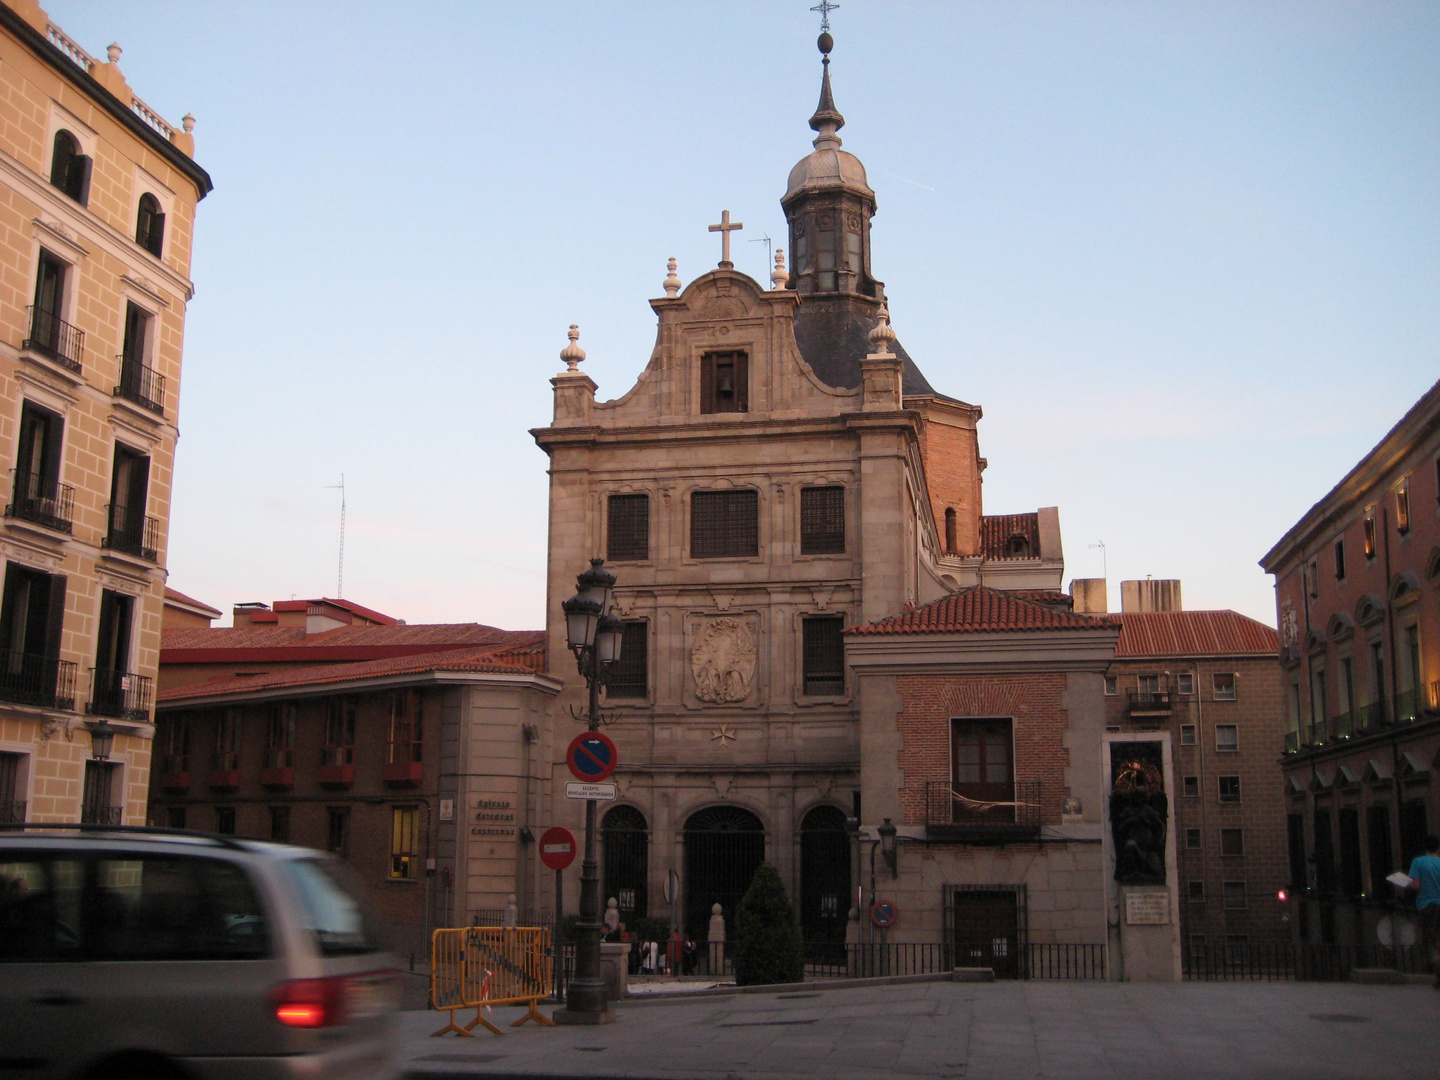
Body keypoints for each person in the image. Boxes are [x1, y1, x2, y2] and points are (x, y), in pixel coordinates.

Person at [1407, 833, 1440, 989]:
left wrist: (1405, 883)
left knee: (1430, 942)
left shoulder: (1418, 862)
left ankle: (1438, 973)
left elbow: (1416, 885)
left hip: (1426, 906)